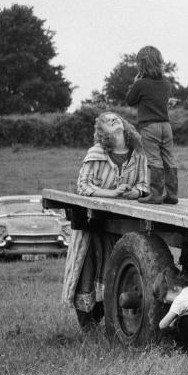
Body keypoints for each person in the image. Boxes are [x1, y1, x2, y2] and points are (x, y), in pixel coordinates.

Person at [61, 112, 150, 329]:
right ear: (103, 132)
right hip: (92, 224)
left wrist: (134, 194)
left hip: (121, 225)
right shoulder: (97, 153)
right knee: (87, 269)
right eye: (108, 121)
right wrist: (111, 194)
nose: (114, 120)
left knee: (116, 267)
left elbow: (145, 186)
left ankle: (114, 320)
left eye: (116, 118)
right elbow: (83, 186)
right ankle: (87, 325)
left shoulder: (137, 154)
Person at [126, 45, 177, 205]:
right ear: (160, 62)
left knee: (154, 159)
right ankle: (172, 194)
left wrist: (134, 83)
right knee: (169, 158)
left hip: (150, 126)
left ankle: (155, 194)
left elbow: (130, 100)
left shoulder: (141, 84)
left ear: (141, 65)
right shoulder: (167, 84)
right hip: (166, 126)